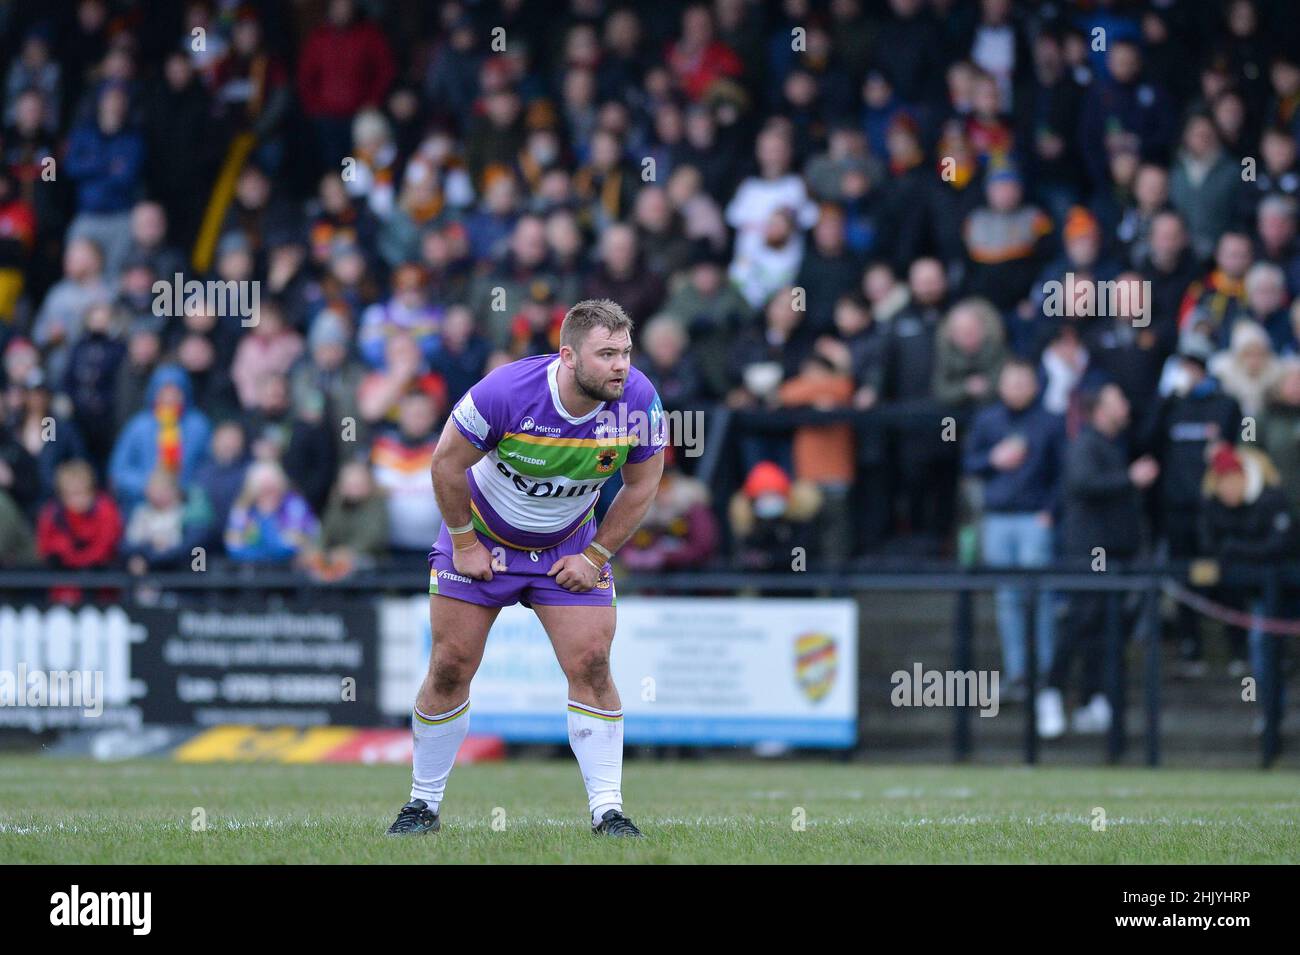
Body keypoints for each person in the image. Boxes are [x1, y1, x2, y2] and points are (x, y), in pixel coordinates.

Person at [387, 299, 666, 838]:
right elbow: (445, 463)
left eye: (626, 352)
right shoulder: (506, 391)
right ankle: (422, 805)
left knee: (591, 664)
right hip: (482, 541)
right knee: (449, 666)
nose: (621, 366)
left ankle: (608, 812)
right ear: (567, 356)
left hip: (569, 546)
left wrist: (595, 557)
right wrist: (465, 545)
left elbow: (644, 483)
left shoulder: (639, 401)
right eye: (606, 353)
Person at [1039, 384, 1159, 738]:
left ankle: (1093, 699)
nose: (1125, 407)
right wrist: (1130, 479)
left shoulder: (1110, 444)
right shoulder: (1086, 444)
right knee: (1081, 619)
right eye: (1117, 401)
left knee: (1104, 629)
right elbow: (1082, 483)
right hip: (1090, 553)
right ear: (1099, 411)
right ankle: (1051, 691)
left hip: (1114, 554)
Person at [962, 360, 1066, 700]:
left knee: (1042, 597)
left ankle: (1047, 672)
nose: (1018, 388)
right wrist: (993, 458)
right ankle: (1018, 673)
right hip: (998, 519)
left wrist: (1050, 512)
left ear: (1035, 385)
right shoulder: (988, 420)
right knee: (1008, 599)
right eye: (1012, 381)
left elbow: (1063, 473)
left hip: (1034, 518)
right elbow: (969, 462)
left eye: (1024, 381)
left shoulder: (1050, 422)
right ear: (1001, 385)